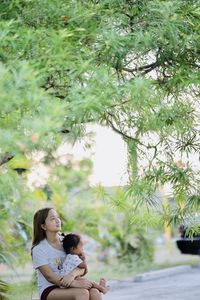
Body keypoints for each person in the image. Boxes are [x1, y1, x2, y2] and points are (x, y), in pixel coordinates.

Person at [32, 207, 105, 300]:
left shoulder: (68, 242)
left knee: (95, 292)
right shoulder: (39, 249)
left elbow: (83, 268)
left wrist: (72, 275)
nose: (57, 220)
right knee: (82, 293)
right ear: (43, 226)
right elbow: (50, 277)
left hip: (72, 283)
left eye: (57, 217)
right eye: (52, 218)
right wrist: (74, 283)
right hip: (50, 288)